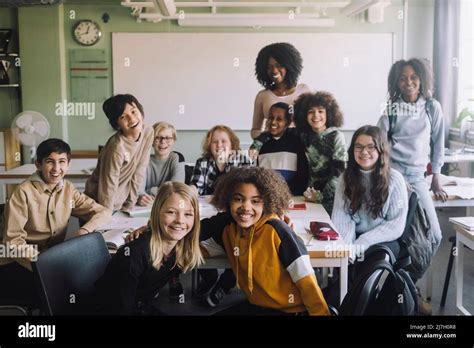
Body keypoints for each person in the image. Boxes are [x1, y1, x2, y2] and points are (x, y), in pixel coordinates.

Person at [200, 167, 330, 315]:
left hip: (291, 311)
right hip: (257, 306)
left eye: (255, 201)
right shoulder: (229, 230)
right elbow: (205, 250)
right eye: (238, 199)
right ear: (228, 200)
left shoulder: (278, 232)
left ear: (267, 203)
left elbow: (307, 282)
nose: (246, 207)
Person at [0, 138, 111, 306]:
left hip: (49, 259)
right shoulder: (22, 193)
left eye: (62, 162)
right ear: (38, 164)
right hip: (17, 262)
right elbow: (12, 243)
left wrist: (85, 230)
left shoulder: (67, 190)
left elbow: (103, 212)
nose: (56, 169)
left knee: (91, 279)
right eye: (49, 162)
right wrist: (44, 263)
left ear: (68, 164)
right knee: (68, 288)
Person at [94, 182, 203, 315]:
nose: (180, 220)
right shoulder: (133, 256)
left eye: (188, 214)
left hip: (140, 307)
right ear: (157, 213)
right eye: (171, 212)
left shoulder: (180, 244)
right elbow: (119, 309)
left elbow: (217, 223)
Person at [377, 58, 446, 255]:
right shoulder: (391, 109)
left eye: (414, 77)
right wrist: (391, 178)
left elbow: (438, 144)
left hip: (418, 177)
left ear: (422, 79)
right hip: (393, 175)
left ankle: (409, 281)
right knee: (396, 234)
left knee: (434, 235)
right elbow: (379, 146)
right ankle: (398, 281)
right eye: (402, 79)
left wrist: (436, 178)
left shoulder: (432, 108)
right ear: (396, 82)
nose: (408, 83)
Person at [331, 126, 408, 257]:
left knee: (373, 261)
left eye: (371, 147)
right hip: (354, 237)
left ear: (380, 149)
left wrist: (362, 243)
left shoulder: (395, 179)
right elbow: (341, 218)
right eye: (359, 147)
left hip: (383, 239)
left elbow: (395, 225)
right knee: (340, 257)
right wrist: (348, 248)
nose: (364, 152)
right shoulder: (345, 178)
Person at [85, 94, 154, 212]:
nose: (132, 119)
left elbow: (139, 171)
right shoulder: (116, 147)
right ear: (116, 124)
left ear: (140, 109)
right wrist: (105, 216)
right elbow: (108, 185)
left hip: (120, 204)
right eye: (123, 117)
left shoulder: (148, 132)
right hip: (97, 204)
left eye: (133, 111)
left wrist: (129, 205)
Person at [294, 91, 347, 215]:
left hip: (332, 196)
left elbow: (339, 172)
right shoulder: (303, 135)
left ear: (329, 114)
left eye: (321, 111)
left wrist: (321, 197)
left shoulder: (336, 136)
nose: (315, 115)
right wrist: (258, 143)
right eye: (311, 111)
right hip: (308, 194)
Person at [251, 42, 312, 139]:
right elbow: (255, 130)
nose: (274, 70)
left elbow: (314, 123)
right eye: (269, 67)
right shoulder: (262, 96)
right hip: (273, 151)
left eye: (279, 65)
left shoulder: (304, 91)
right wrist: (266, 139)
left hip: (300, 148)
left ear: (289, 66)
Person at [257, 102, 308, 195]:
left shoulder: (296, 142)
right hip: (266, 196)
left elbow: (302, 174)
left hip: (292, 196)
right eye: (271, 118)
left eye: (279, 119)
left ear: (287, 122)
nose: (273, 122)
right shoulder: (261, 144)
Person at [190, 125, 248, 196]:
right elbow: (196, 186)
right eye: (214, 142)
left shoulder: (243, 161)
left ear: (231, 144)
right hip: (207, 204)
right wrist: (191, 190)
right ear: (209, 145)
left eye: (223, 141)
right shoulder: (202, 163)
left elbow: (245, 189)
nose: (219, 145)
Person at [137, 122, 185, 207]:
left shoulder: (177, 158)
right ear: (151, 141)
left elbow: (175, 189)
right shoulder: (143, 159)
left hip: (169, 206)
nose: (163, 141)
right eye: (158, 138)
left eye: (168, 138)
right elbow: (138, 191)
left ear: (174, 141)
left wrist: (149, 190)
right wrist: (139, 197)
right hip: (147, 207)